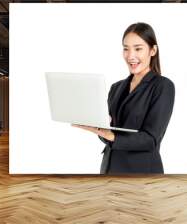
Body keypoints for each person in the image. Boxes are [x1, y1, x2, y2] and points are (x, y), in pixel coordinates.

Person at [73, 22, 175, 174]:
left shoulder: (162, 86)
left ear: (153, 50)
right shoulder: (116, 88)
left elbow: (151, 140)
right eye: (126, 49)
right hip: (109, 168)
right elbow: (109, 135)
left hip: (141, 172)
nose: (130, 55)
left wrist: (111, 135)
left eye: (138, 48)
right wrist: (99, 129)